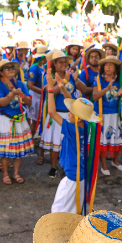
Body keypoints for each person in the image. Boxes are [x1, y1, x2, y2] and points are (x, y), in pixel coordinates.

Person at [0, 59, 34, 185]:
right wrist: (12, 94)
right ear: (1, 73)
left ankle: (16, 173)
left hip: (19, 119)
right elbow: (2, 102)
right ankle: (5, 173)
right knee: (6, 150)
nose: (11, 70)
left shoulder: (21, 84)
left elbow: (29, 103)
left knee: (18, 150)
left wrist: (23, 97)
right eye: (7, 68)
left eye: (12, 68)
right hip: (4, 120)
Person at [47, 89, 99, 213]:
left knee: (59, 208)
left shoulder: (72, 130)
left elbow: (51, 112)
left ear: (78, 119)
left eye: (70, 113)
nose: (68, 115)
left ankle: (59, 229)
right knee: (75, 207)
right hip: (80, 174)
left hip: (72, 176)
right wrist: (62, 87)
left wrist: (50, 88)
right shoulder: (86, 128)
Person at [40, 50, 77, 178]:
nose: (63, 64)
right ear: (54, 64)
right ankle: (53, 166)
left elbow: (77, 90)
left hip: (70, 113)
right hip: (57, 113)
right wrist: (64, 82)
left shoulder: (70, 75)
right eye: (60, 62)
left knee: (67, 142)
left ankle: (66, 165)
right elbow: (51, 92)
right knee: (55, 143)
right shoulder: (48, 76)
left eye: (65, 61)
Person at [92, 55, 122, 175]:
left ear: (115, 68)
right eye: (106, 65)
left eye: (111, 65)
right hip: (103, 116)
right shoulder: (98, 80)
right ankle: (103, 165)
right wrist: (106, 88)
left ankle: (115, 161)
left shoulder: (120, 81)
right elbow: (95, 96)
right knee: (104, 139)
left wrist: (121, 94)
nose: (108, 67)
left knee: (117, 137)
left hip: (116, 114)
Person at [27, 46, 48, 138]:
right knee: (34, 119)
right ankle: (30, 139)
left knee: (38, 119)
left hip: (41, 95)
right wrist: (44, 92)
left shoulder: (42, 66)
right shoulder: (34, 68)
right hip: (35, 96)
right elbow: (30, 85)